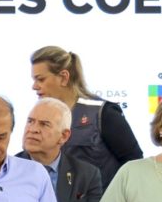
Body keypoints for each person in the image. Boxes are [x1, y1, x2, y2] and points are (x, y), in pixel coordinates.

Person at [30, 46, 143, 188]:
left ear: (64, 77)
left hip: (102, 201)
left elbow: (134, 162)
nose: (34, 86)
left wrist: (118, 198)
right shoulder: (39, 116)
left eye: (40, 79)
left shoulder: (102, 112)